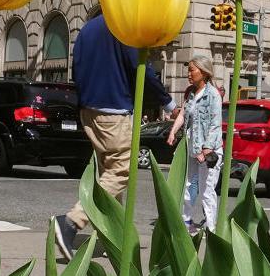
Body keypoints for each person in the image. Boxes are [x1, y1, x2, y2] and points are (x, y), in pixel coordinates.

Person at [51, 15, 176, 259]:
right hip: (113, 110)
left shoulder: (87, 28)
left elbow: (75, 68)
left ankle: (114, 235)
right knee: (121, 171)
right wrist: (168, 103)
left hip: (89, 110)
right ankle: (70, 222)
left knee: (108, 173)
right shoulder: (124, 25)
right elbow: (141, 67)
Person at [167, 54, 223, 233]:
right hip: (191, 149)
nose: (188, 74)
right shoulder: (191, 93)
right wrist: (173, 131)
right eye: (188, 70)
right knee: (188, 188)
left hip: (208, 152)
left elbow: (215, 123)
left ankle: (211, 229)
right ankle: (187, 225)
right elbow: (183, 114)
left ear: (204, 72)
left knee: (207, 191)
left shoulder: (213, 95)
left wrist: (206, 150)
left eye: (192, 70)